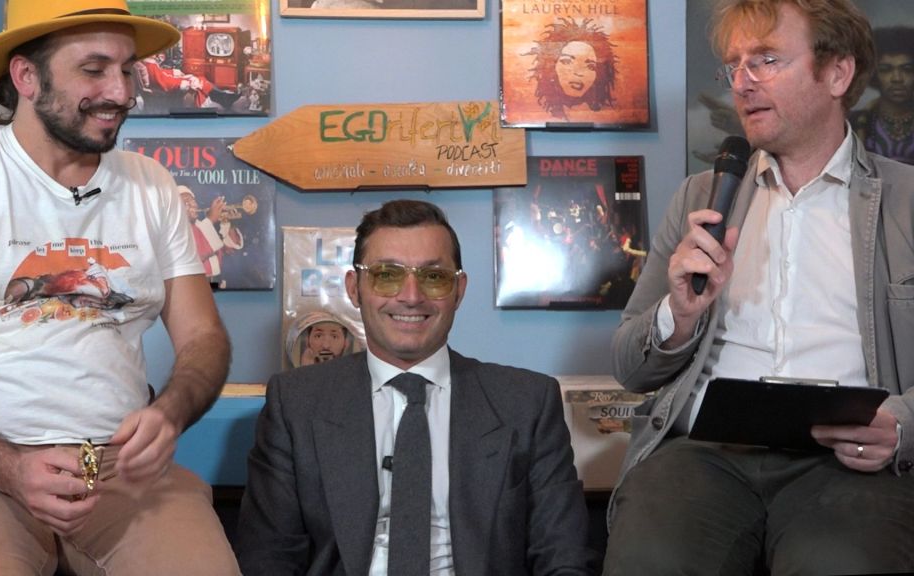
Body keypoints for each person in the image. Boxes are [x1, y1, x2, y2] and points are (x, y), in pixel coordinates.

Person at [0, 2, 240, 574]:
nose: (120, 92)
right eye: (94, 69)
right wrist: (7, 467)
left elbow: (203, 336)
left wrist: (171, 411)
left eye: (126, 69)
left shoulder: (152, 185)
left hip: (117, 468)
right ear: (27, 76)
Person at [604, 1, 914, 575]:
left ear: (837, 73)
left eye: (767, 61)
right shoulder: (701, 196)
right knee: (652, 556)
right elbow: (629, 365)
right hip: (706, 456)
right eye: (735, 65)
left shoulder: (906, 201)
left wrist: (903, 425)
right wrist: (679, 314)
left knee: (839, 561)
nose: (743, 83)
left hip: (848, 464)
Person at [237, 199, 596, 575]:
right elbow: (268, 558)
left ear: (458, 290)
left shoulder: (527, 403)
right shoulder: (295, 404)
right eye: (386, 275)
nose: (411, 296)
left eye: (433, 277)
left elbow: (564, 557)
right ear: (354, 288)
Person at [529, 17, 617, 119]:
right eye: (567, 61)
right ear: (551, 67)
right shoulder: (535, 114)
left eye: (590, 66)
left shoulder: (601, 117)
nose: (579, 72)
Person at [849, 26, 914, 165]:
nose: (897, 78)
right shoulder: (852, 123)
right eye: (886, 70)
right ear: (873, 74)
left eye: (907, 69)